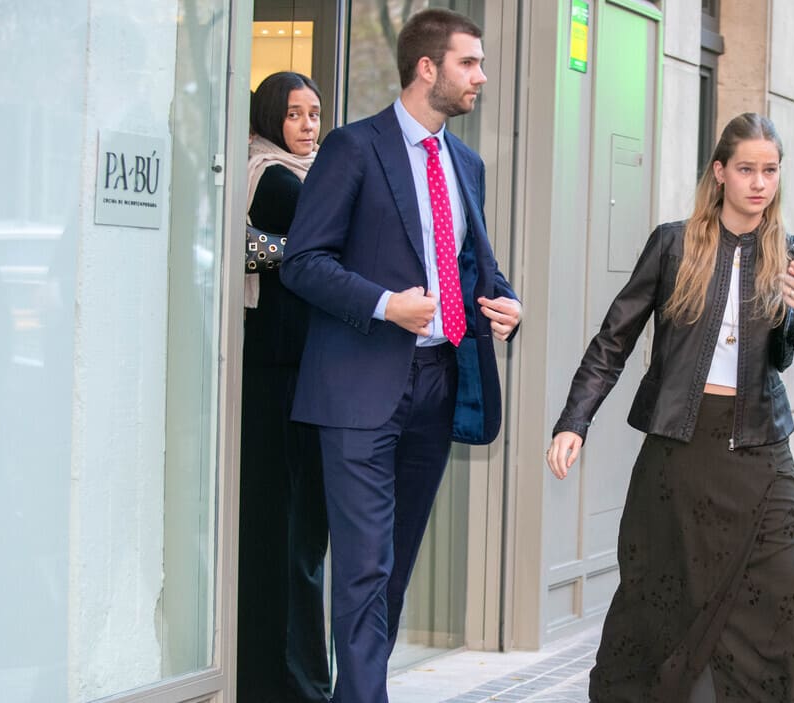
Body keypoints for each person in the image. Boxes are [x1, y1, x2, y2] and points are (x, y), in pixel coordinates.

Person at [546, 113, 794, 702]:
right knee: (668, 599)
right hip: (679, 453)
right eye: (747, 170)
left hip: (760, 455)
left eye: (771, 171)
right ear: (720, 172)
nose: (760, 183)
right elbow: (614, 339)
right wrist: (575, 420)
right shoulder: (674, 243)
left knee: (788, 598)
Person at [280, 10, 522, 703]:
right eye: (469, 63)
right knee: (361, 570)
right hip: (357, 388)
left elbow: (475, 267)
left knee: (390, 573)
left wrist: (507, 304)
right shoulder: (354, 148)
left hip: (437, 384)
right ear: (427, 68)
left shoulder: (465, 162)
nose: (480, 76)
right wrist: (388, 304)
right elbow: (302, 261)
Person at [239, 71, 330, 703]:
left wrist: (267, 250)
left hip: (302, 370)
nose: (306, 126)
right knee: (288, 536)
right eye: (294, 115)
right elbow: (328, 239)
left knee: (297, 536)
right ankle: (291, 684)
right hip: (280, 374)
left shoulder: (310, 175)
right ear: (272, 119)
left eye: (314, 113)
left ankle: (292, 680)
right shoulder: (270, 176)